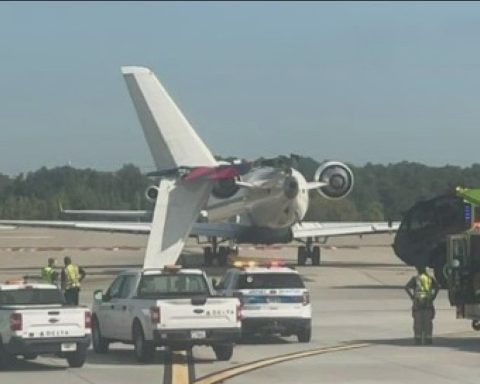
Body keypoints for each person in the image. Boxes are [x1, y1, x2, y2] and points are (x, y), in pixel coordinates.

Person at [405, 266, 440, 345]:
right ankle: (428, 338)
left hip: (418, 302)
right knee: (428, 322)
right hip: (428, 302)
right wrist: (433, 296)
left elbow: (406, 287)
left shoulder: (416, 278)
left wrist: (412, 296)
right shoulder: (429, 279)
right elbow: (438, 287)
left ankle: (418, 338)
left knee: (418, 321)